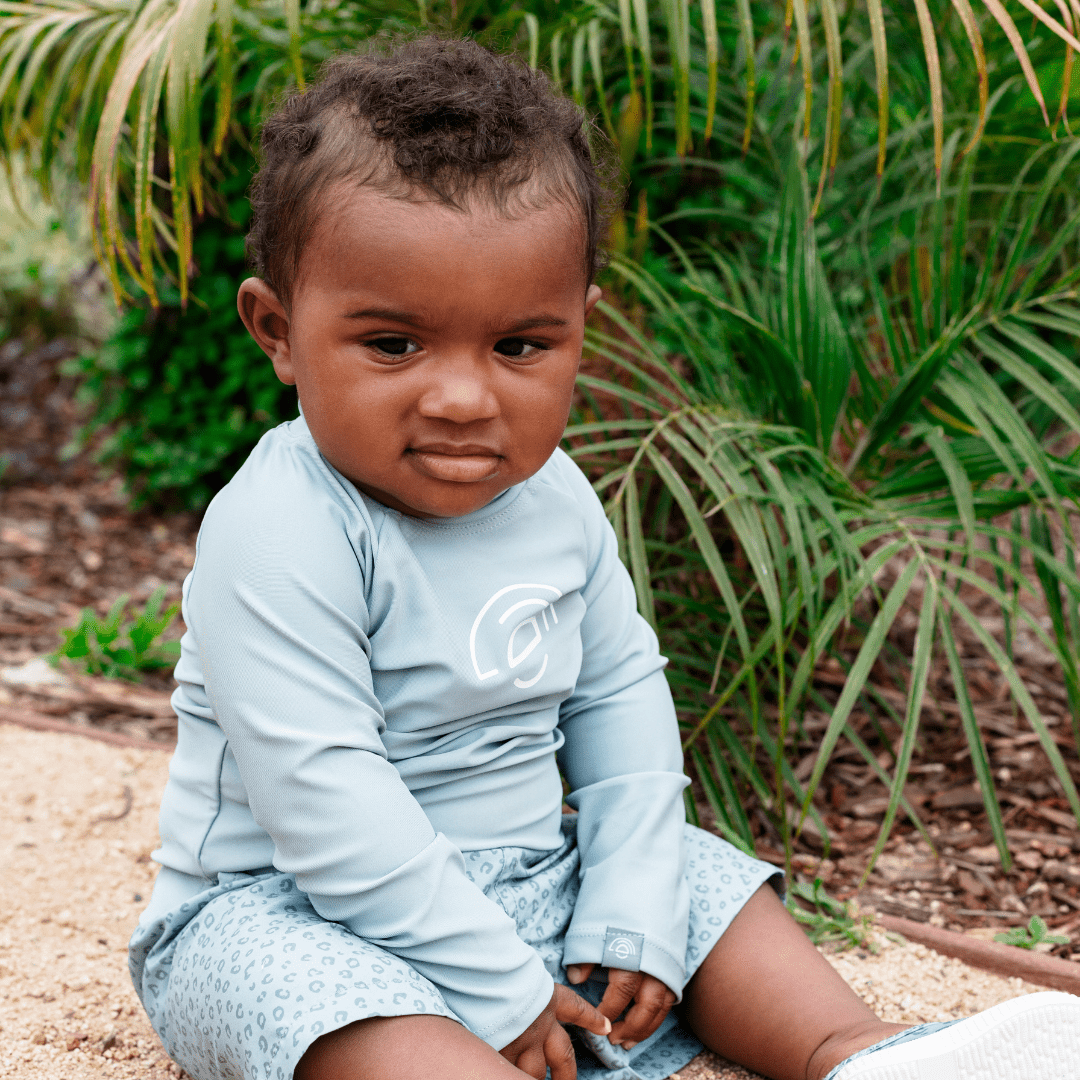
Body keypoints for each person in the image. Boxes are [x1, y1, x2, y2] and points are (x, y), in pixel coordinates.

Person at [129, 36, 1080, 1080]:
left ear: (580, 329)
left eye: (519, 346)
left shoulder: (558, 498)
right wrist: (495, 983)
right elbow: (323, 801)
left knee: (699, 880)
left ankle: (861, 1056)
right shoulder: (281, 528)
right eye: (394, 345)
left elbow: (619, 695)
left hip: (534, 876)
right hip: (291, 910)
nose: (462, 397)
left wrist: (629, 898)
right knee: (338, 1014)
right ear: (278, 330)